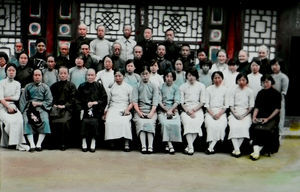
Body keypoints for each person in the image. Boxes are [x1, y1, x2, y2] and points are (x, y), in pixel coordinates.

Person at [20, 69, 53, 152]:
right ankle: (32, 144)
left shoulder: (45, 87)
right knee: (27, 120)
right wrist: (22, 111)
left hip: (41, 108)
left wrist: (39, 104)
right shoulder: (28, 86)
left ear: (42, 76)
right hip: (29, 107)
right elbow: (23, 99)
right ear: (33, 76)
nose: (37, 77)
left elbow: (49, 100)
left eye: (39, 75)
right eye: (35, 75)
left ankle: (39, 144)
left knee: (45, 120)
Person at [250, 74, 281, 160]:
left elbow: (277, 109)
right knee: (254, 127)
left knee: (265, 129)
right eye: (263, 82)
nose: (265, 84)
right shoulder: (260, 93)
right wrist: (254, 117)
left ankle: (256, 152)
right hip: (260, 116)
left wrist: (268, 118)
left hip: (272, 118)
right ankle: (257, 152)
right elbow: (257, 107)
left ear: (271, 82)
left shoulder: (277, 94)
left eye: (267, 82)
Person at [77, 68, 107, 152]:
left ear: (95, 76)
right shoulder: (82, 86)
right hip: (84, 110)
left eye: (92, 75)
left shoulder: (99, 86)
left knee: (95, 121)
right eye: (88, 75)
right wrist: (82, 109)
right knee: (84, 121)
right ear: (86, 76)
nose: (90, 77)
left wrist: (95, 103)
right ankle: (84, 141)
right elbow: (77, 100)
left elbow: (104, 99)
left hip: (96, 110)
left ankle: (93, 140)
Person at [0, 63, 28, 151]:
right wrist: (7, 105)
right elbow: (0, 98)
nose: (11, 72)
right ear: (6, 72)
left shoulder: (17, 84)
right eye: (9, 70)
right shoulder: (1, 83)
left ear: (16, 72)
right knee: (10, 122)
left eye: (13, 70)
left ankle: (18, 142)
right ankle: (11, 142)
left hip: (13, 105)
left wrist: (7, 100)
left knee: (19, 120)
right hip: (2, 106)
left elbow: (16, 97)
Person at [104, 70, 133, 152]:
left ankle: (126, 143)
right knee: (110, 121)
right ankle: (112, 141)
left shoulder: (128, 87)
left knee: (125, 122)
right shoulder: (111, 87)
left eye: (119, 76)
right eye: (116, 76)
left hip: (124, 107)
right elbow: (108, 102)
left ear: (123, 76)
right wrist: (106, 112)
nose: (118, 78)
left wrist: (127, 110)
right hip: (113, 108)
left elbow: (132, 102)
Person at [133, 66, 159, 154]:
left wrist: (151, 113)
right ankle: (143, 145)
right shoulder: (136, 86)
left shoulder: (154, 86)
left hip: (151, 110)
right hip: (139, 110)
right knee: (141, 123)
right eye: (143, 74)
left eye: (147, 74)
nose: (145, 76)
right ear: (140, 75)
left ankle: (150, 146)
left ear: (150, 74)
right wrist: (139, 112)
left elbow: (155, 101)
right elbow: (135, 101)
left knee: (150, 123)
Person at [50, 66, 77, 150]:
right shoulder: (53, 86)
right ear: (58, 75)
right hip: (56, 108)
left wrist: (65, 106)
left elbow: (73, 99)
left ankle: (63, 143)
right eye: (61, 73)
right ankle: (55, 143)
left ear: (68, 75)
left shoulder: (71, 86)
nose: (63, 75)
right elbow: (51, 98)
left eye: (65, 73)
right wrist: (54, 104)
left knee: (64, 122)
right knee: (53, 121)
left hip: (67, 109)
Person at [180, 68, 206, 155]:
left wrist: (194, 110)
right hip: (186, 109)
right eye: (189, 75)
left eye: (193, 75)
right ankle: (191, 146)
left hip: (197, 109)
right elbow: (181, 102)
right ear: (186, 76)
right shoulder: (182, 86)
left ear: (196, 76)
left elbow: (202, 102)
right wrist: (188, 111)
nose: (191, 77)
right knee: (187, 122)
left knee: (196, 122)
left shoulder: (201, 86)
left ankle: (189, 147)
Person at [228, 73, 254, 157]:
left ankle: (236, 149)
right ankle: (237, 150)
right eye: (239, 80)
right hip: (234, 112)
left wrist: (244, 115)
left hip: (246, 113)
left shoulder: (250, 91)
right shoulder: (233, 90)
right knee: (233, 126)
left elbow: (251, 106)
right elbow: (231, 105)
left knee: (244, 127)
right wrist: (235, 114)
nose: (241, 82)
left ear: (246, 81)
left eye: (243, 80)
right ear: (237, 81)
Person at [204, 71, 228, 154]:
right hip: (210, 112)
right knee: (210, 125)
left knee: (221, 125)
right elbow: (206, 104)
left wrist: (219, 114)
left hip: (221, 113)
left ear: (222, 79)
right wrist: (212, 114)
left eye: (219, 78)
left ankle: (211, 147)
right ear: (212, 79)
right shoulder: (208, 89)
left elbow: (226, 105)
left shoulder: (225, 89)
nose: (217, 80)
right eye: (215, 78)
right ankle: (212, 147)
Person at [158, 70, 182, 154]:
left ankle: (168, 144)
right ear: (164, 77)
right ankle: (170, 145)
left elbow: (177, 101)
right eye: (167, 76)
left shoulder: (176, 87)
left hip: (173, 109)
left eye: (171, 77)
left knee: (176, 123)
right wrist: (166, 110)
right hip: (163, 109)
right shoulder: (161, 87)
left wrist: (171, 110)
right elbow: (159, 101)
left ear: (174, 78)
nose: (169, 78)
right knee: (164, 123)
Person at [271, 58, 289, 136]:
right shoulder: (270, 76)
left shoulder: (284, 77)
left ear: (280, 66)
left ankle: (279, 137)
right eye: (272, 65)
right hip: (269, 100)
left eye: (276, 65)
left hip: (279, 100)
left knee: (280, 119)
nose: (274, 67)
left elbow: (284, 92)